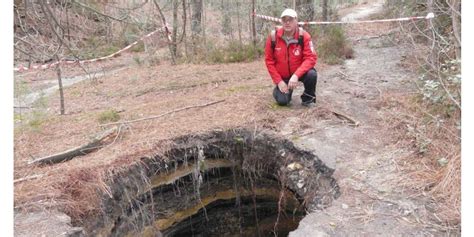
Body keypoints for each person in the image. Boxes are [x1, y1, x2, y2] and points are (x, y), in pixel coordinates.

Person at [264, 8, 318, 107]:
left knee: (311, 74)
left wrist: (296, 75)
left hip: (299, 73)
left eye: (290, 19)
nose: (287, 22)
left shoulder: (304, 36)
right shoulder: (273, 37)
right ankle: (282, 91)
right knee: (282, 101)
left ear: (296, 21)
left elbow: (311, 58)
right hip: (283, 76)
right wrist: (279, 81)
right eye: (284, 20)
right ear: (281, 21)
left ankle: (308, 99)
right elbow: (269, 61)